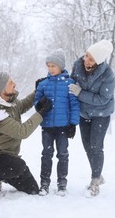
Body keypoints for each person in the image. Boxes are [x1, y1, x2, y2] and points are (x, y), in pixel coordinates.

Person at [0, 71, 52, 196]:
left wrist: (37, 91)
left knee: (33, 189)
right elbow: (22, 131)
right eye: (10, 82)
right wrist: (41, 113)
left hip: (9, 157)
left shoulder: (10, 101)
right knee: (18, 166)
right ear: (1, 89)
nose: (14, 84)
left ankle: (3, 175)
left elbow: (22, 105)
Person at [69, 39, 115, 197]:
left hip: (101, 114)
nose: (86, 60)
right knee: (87, 146)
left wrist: (80, 93)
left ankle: (95, 181)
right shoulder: (77, 65)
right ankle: (98, 173)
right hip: (84, 114)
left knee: (96, 146)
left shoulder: (108, 75)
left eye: (91, 58)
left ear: (98, 61)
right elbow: (71, 82)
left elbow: (103, 99)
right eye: (86, 55)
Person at [34, 49, 80, 196]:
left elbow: (74, 105)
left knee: (63, 155)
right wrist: (41, 104)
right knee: (46, 154)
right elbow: (36, 103)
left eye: (53, 65)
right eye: (48, 66)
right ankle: (44, 184)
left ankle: (62, 184)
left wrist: (73, 124)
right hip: (47, 126)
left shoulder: (69, 84)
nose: (50, 69)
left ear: (61, 66)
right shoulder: (43, 84)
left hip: (63, 127)